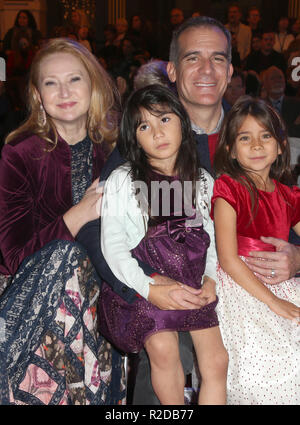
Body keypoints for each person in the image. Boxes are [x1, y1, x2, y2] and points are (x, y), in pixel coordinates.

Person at [77, 15, 300, 404]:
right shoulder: (147, 141)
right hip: (170, 286)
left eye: (217, 58)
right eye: (193, 58)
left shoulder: (251, 130)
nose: (207, 69)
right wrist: (146, 284)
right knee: (166, 353)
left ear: (230, 69)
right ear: (173, 70)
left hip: (241, 285)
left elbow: (278, 205)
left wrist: (297, 257)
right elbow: (96, 225)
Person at [0, 38, 125, 405]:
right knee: (68, 255)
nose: (64, 91)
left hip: (103, 294)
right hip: (31, 300)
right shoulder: (18, 155)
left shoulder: (117, 151)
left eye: (75, 79)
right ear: (38, 96)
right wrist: (77, 215)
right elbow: (12, 258)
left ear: (94, 86)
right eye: (51, 83)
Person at [99, 84, 228, 405]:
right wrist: (147, 285)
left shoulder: (202, 181)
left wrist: (211, 277)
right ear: (134, 137)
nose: (157, 132)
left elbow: (211, 238)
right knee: (164, 349)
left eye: (165, 119)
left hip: (194, 283)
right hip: (145, 286)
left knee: (216, 360)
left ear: (183, 124)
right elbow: (113, 246)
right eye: (145, 126)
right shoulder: (124, 180)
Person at [212, 95, 300, 404]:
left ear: (280, 146)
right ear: (230, 149)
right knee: (265, 366)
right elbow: (227, 258)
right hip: (242, 288)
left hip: (282, 283)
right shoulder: (228, 189)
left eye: (266, 136)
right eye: (245, 138)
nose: (257, 145)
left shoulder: (288, 195)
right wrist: (274, 302)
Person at [262, 65, 300, 138]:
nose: (277, 81)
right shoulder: (260, 106)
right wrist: (293, 126)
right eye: (272, 78)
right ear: (265, 84)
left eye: (280, 77)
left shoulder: (297, 105)